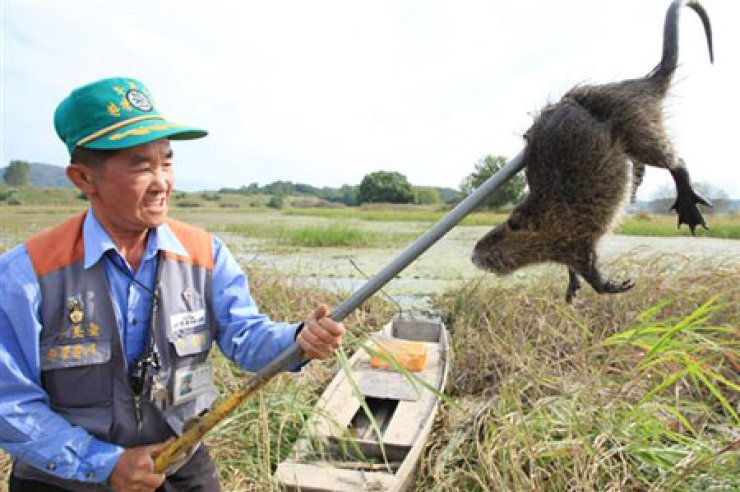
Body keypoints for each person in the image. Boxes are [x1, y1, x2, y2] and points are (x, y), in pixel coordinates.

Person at [0, 77, 346, 491]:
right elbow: (9, 402)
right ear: (83, 179)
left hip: (177, 466)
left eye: (166, 161)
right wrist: (104, 464)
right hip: (63, 478)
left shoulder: (205, 254)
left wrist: (297, 339)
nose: (162, 181)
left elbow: (246, 335)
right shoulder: (27, 274)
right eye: (141, 166)